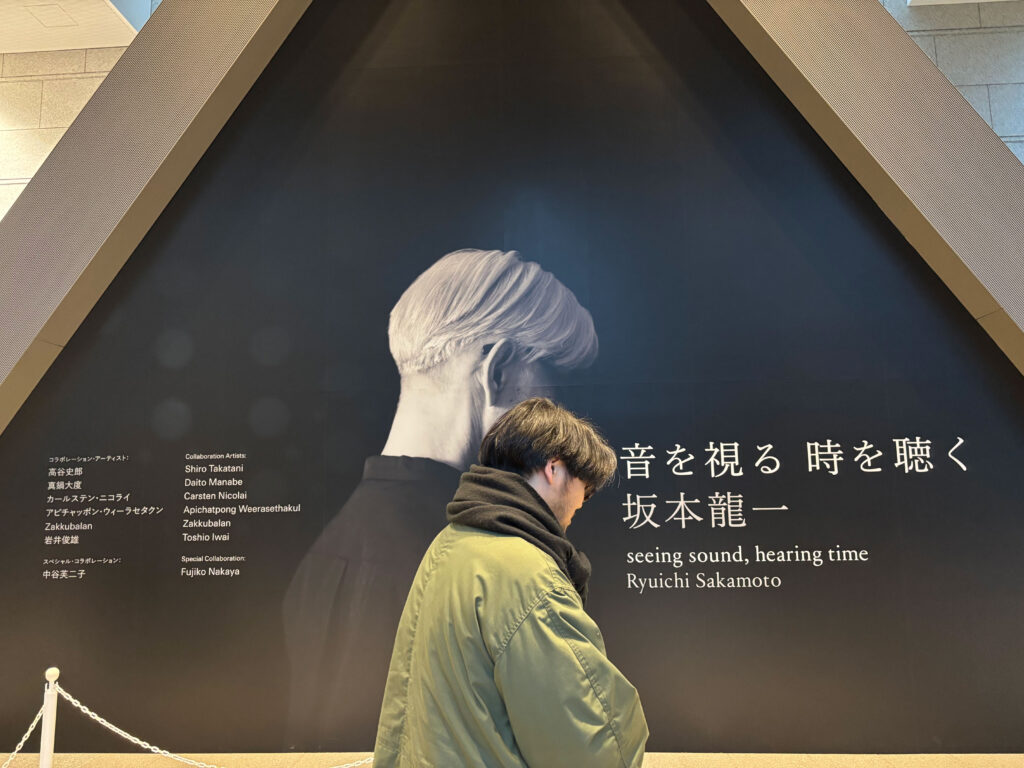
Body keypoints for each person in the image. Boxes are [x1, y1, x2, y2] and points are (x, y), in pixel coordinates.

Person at [282, 250, 600, 749]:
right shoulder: (467, 556)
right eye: (551, 390)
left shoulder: (330, 546)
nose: (558, 419)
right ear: (497, 371)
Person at [375, 397, 648, 767]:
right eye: (585, 484)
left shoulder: (449, 543)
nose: (582, 501)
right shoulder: (527, 574)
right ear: (554, 468)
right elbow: (586, 745)